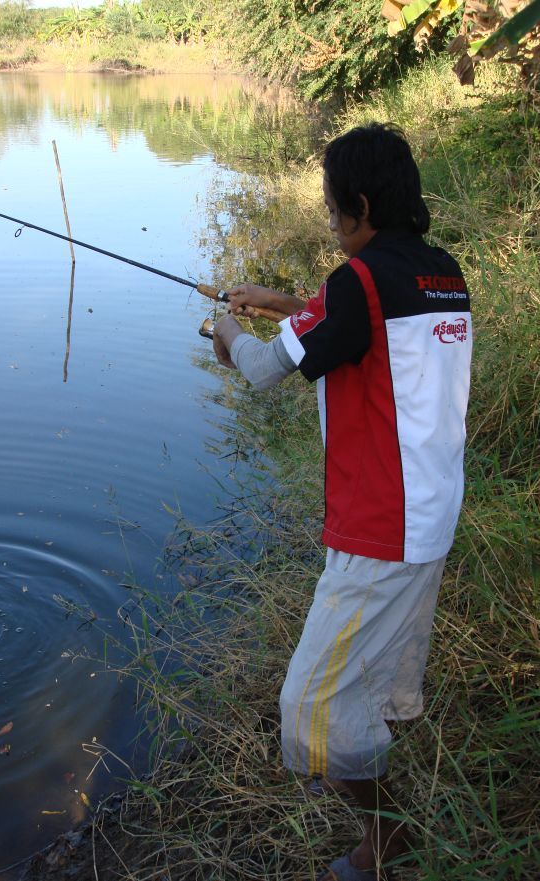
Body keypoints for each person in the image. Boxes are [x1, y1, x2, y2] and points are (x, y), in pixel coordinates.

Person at [212, 122, 472, 881]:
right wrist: (282, 300)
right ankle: (385, 786)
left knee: (312, 710)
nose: (330, 224)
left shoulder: (352, 285)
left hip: (381, 527)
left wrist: (226, 326)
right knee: (380, 683)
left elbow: (262, 370)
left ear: (358, 205)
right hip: (429, 512)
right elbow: (373, 326)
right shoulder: (440, 273)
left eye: (332, 212)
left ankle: (387, 842)